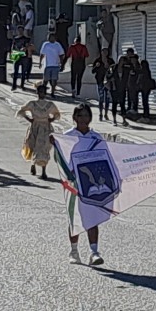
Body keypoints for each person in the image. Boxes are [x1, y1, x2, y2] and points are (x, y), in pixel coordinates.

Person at [61, 103, 105, 266]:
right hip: (74, 183)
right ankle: (74, 251)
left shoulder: (96, 137)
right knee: (75, 217)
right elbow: (62, 158)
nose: (83, 119)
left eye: (86, 115)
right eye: (80, 116)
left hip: (92, 184)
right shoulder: (68, 136)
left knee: (92, 217)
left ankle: (94, 251)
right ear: (74, 118)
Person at [17, 84, 61, 180]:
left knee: (44, 148)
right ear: (37, 92)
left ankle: (44, 171)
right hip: (35, 127)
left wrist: (51, 119)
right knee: (33, 146)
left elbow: (57, 114)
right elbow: (21, 111)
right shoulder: (32, 104)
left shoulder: (49, 105)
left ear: (45, 93)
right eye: (40, 91)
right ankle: (33, 164)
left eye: (43, 92)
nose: (41, 93)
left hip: (45, 128)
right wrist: (29, 119)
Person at [91, 48, 115, 121]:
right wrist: (96, 66)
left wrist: (109, 67)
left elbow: (113, 71)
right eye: (103, 52)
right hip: (100, 82)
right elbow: (93, 71)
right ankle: (100, 113)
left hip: (108, 82)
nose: (105, 53)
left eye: (106, 52)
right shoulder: (97, 61)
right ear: (101, 52)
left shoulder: (110, 61)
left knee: (107, 99)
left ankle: (106, 114)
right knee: (101, 99)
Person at [39, 32, 66, 98]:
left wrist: (62, 64)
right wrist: (40, 62)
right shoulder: (46, 44)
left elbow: (61, 54)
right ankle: (44, 92)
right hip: (47, 65)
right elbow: (42, 54)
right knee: (45, 80)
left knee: (54, 80)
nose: (51, 38)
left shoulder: (57, 45)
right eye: (50, 37)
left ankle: (52, 93)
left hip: (55, 65)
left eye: (52, 37)